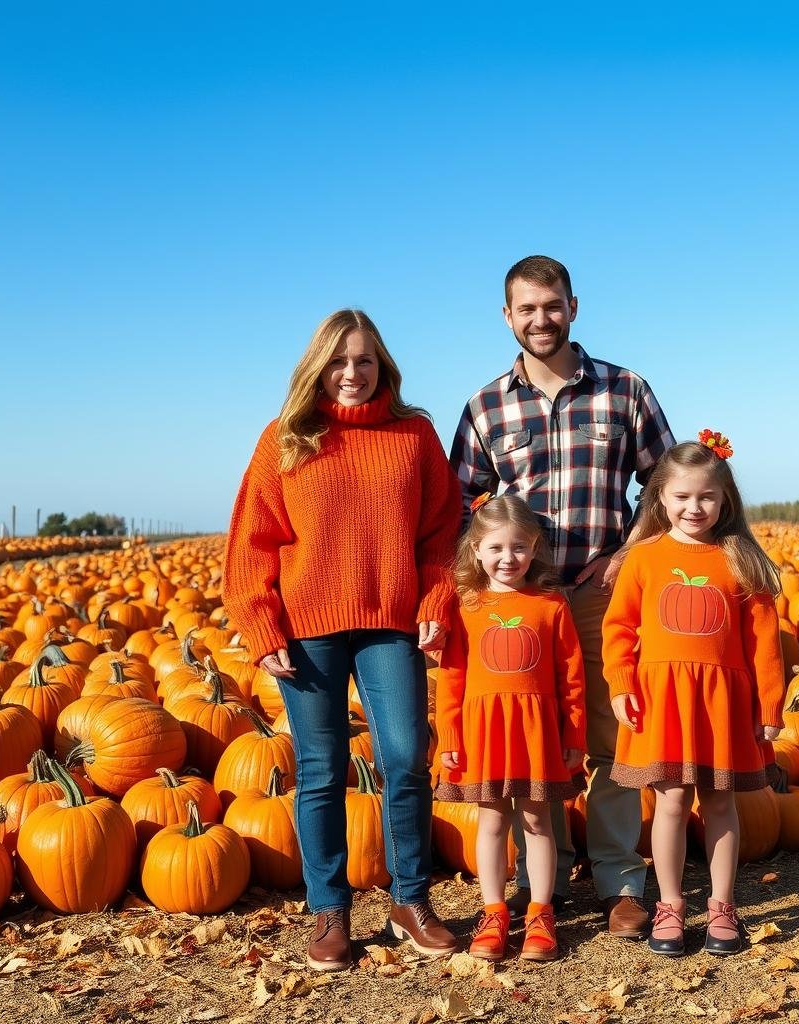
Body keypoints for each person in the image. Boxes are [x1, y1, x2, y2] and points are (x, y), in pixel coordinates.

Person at [222, 309, 463, 972]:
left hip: (390, 621)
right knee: (323, 771)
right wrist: (260, 624)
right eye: (338, 361)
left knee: (407, 756)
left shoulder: (414, 436)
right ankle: (330, 911)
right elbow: (251, 542)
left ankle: (410, 901)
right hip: (307, 631)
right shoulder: (287, 438)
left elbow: (443, 532)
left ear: (382, 366)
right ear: (317, 368)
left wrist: (438, 597)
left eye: (363, 361)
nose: (351, 374)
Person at [450, 255, 675, 937]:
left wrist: (627, 556)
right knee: (529, 737)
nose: (540, 320)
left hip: (601, 591)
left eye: (552, 306)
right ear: (507, 316)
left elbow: (665, 486)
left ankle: (618, 878)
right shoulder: (485, 407)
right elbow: (461, 505)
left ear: (573, 307)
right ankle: (541, 879)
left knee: (612, 735)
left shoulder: (625, 389)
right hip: (518, 608)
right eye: (527, 309)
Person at [603, 431, 785, 956]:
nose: (694, 507)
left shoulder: (740, 559)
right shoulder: (644, 558)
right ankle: (670, 904)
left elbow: (765, 645)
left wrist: (769, 706)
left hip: (722, 701)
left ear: (725, 498)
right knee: (671, 802)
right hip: (663, 699)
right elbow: (618, 629)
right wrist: (621, 683)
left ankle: (723, 906)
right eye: (682, 497)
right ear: (660, 497)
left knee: (722, 803)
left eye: (706, 496)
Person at [435, 493, 587, 962]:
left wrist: (574, 737)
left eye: (519, 548)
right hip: (484, 732)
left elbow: (572, 679)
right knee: (493, 819)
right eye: (496, 548)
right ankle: (495, 910)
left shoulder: (550, 606)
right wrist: (450, 737)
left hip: (538, 732)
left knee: (539, 820)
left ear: (535, 547)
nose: (508, 558)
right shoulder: (466, 607)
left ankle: (541, 912)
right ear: (476, 550)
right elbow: (452, 679)